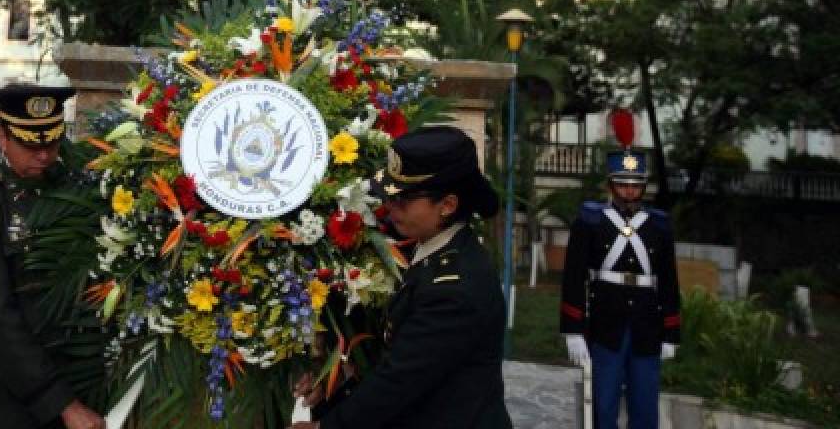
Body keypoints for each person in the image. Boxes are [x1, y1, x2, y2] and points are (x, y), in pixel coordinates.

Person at [292, 126, 513, 429]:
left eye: (403, 199)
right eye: (389, 195)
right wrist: (336, 375)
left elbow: (399, 380)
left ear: (447, 205)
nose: (390, 206)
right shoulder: (424, 245)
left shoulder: (454, 288)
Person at [0, 79, 106, 429]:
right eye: (29, 142)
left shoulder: (79, 197)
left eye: (51, 141)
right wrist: (61, 403)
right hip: (4, 402)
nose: (43, 154)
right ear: (2, 137)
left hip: (77, 387)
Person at [559, 150, 682, 429]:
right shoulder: (590, 220)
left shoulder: (659, 225)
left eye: (636, 184)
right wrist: (573, 330)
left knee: (644, 405)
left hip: (647, 325)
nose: (629, 190)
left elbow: (669, 280)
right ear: (610, 185)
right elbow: (574, 277)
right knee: (603, 405)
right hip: (605, 323)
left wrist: (671, 331)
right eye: (623, 183)